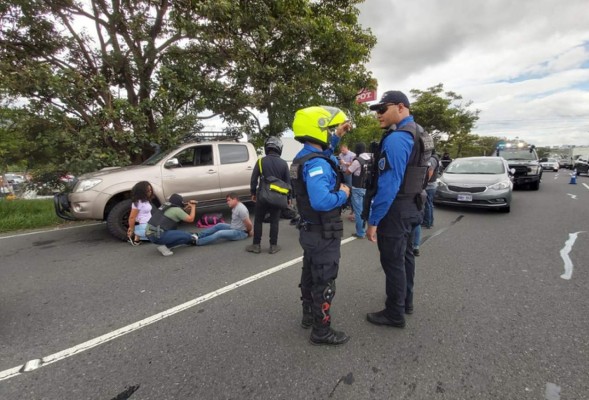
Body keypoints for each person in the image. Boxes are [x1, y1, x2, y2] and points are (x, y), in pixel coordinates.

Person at [365, 90, 434, 328]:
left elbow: (389, 184)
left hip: (397, 208)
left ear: (401, 107)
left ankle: (394, 313)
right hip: (414, 203)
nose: (378, 115)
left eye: (383, 110)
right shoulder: (420, 133)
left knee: (392, 261)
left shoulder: (397, 138)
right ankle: (406, 302)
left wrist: (374, 220)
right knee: (405, 257)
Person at [291, 105, 352, 346]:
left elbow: (324, 153)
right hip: (322, 232)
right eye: (326, 129)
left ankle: (308, 315)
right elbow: (321, 200)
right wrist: (344, 194)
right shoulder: (318, 164)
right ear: (317, 130)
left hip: (309, 230)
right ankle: (321, 330)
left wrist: (338, 135)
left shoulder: (303, 157)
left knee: (309, 274)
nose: (329, 133)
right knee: (324, 281)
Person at [246, 137, 290, 254]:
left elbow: (254, 179)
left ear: (267, 147)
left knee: (258, 220)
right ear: (279, 148)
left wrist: (253, 193)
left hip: (262, 196)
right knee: (275, 221)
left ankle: (256, 245)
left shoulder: (261, 161)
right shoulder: (284, 164)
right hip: (277, 198)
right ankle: (273, 246)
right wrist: (289, 198)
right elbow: (288, 183)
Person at [345, 142, 371, 239]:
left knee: (359, 211)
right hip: (368, 188)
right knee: (369, 209)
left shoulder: (357, 161)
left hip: (358, 188)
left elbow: (348, 172)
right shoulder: (370, 159)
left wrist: (348, 165)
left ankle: (360, 232)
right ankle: (371, 229)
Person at [127, 181, 154, 245]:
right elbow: (132, 217)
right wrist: (131, 229)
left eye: (150, 190)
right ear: (141, 192)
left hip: (149, 223)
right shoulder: (138, 203)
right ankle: (137, 235)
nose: (150, 192)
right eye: (148, 191)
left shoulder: (145, 200)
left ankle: (137, 237)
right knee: (160, 235)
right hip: (143, 224)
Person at [423, 153, 440, 229]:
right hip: (431, 185)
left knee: (427, 205)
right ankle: (430, 221)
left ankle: (427, 222)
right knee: (429, 204)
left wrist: (424, 183)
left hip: (429, 186)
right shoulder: (434, 158)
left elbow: (430, 171)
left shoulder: (431, 159)